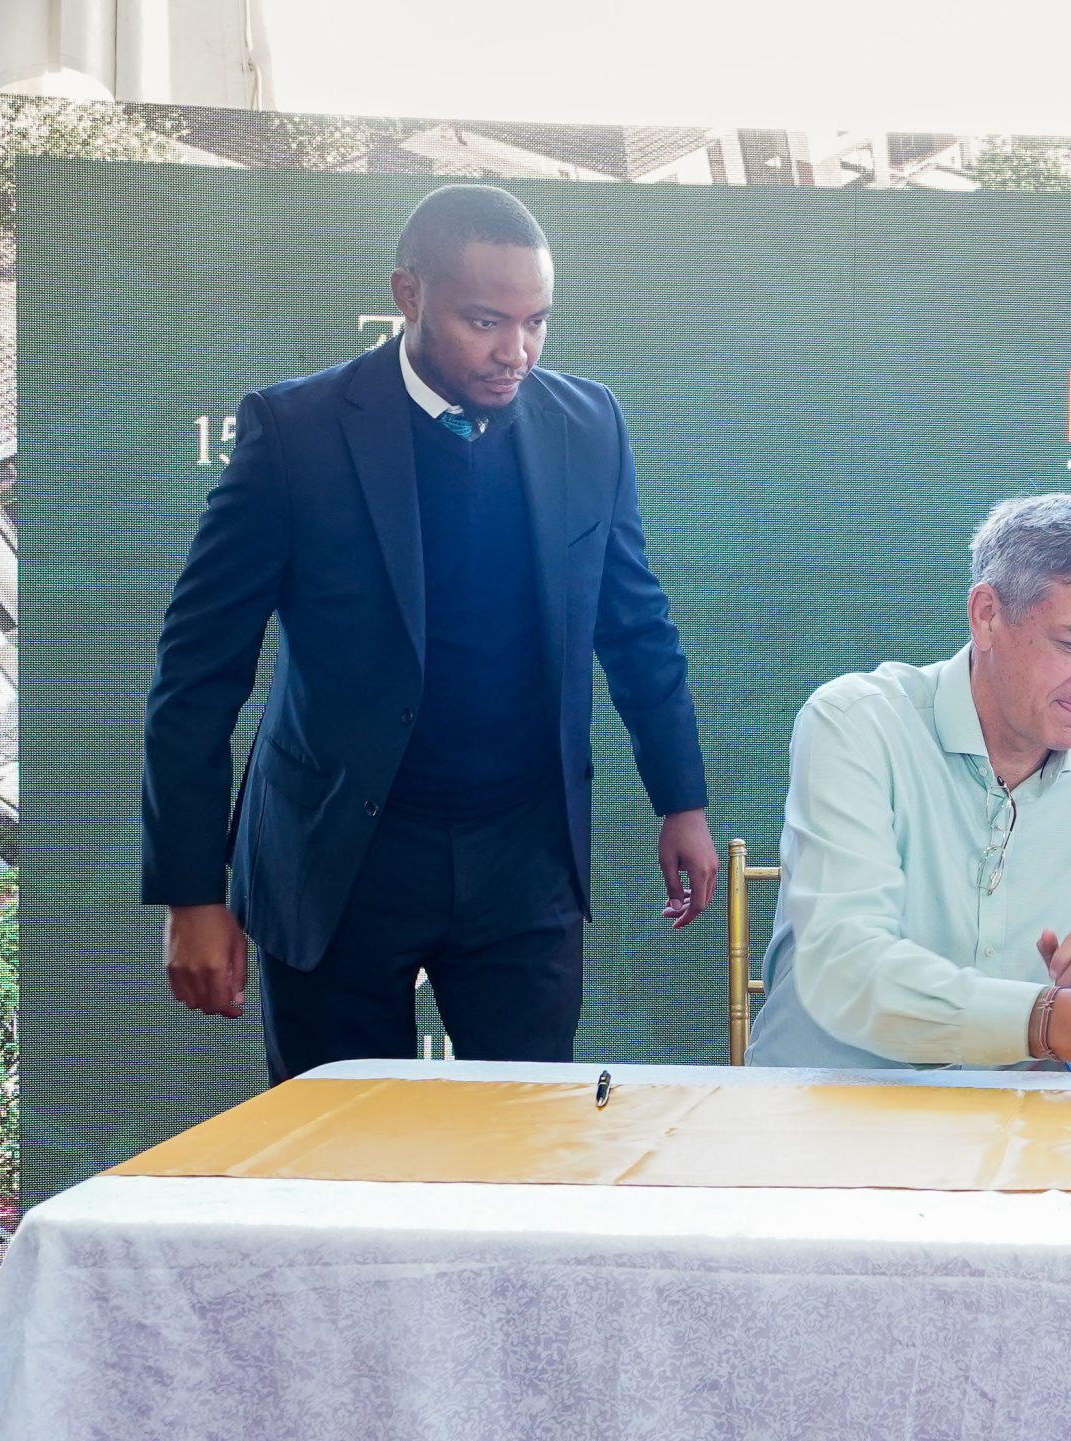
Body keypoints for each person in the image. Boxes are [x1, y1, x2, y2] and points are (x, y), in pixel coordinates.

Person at [141, 184, 718, 1082]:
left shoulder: (589, 423)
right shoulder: (295, 434)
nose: (515, 352)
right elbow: (197, 670)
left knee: (528, 1155)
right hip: (339, 853)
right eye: (486, 321)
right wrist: (190, 892)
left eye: (537, 323)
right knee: (333, 1165)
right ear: (408, 295)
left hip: (523, 855)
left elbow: (635, 623)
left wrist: (680, 799)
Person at [745, 494, 1071, 1104]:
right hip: (822, 1127)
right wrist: (1054, 1018)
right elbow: (846, 970)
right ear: (986, 614)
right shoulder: (856, 722)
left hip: (1029, 1145)